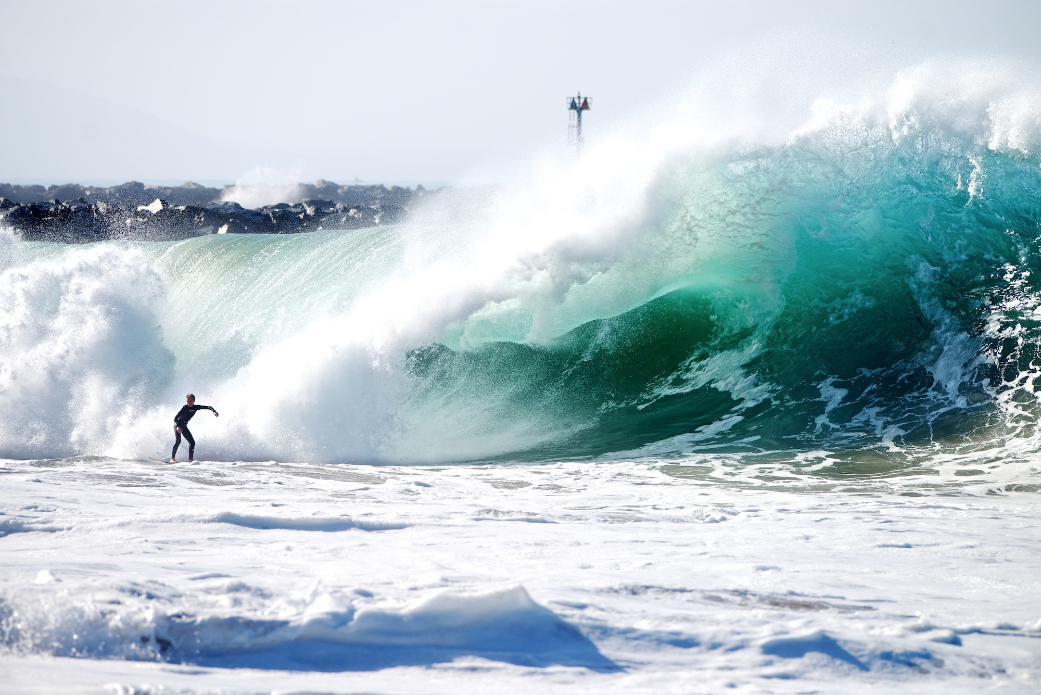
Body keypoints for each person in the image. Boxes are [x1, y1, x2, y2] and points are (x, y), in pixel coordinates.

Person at [171, 394, 219, 462]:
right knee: (178, 441)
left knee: (192, 442)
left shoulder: (196, 407)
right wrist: (178, 427)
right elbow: (175, 418)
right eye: (187, 401)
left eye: (190, 401)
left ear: (194, 401)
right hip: (178, 425)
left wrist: (214, 411)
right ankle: (172, 459)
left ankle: (190, 460)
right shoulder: (185, 407)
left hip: (184, 426)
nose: (189, 403)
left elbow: (208, 407)